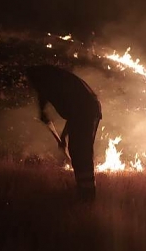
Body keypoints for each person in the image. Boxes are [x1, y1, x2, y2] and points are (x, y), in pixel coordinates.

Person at [26, 65, 102, 202]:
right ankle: (84, 190)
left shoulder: (56, 84)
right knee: (79, 151)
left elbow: (76, 112)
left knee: (80, 152)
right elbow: (42, 95)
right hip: (88, 109)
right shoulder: (51, 79)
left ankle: (87, 194)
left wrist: (63, 136)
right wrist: (42, 111)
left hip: (86, 111)